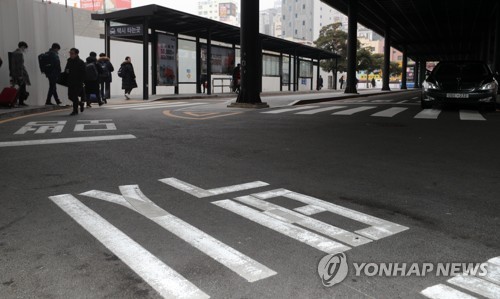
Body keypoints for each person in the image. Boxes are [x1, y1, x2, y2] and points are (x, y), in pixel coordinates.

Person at [64, 48, 86, 116]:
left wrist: (81, 81)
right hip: (70, 81)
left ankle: (75, 110)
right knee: (70, 96)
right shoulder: (69, 61)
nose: (70, 54)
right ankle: (80, 103)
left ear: (76, 54)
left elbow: (84, 73)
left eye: (72, 53)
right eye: (70, 53)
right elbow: (66, 70)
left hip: (78, 82)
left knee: (75, 96)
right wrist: (66, 72)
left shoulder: (81, 62)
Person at [10, 41, 31, 106]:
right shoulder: (19, 54)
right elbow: (19, 66)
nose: (24, 50)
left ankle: (17, 102)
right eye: (24, 48)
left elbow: (13, 65)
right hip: (20, 74)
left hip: (14, 74)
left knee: (18, 88)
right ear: (22, 47)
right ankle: (20, 102)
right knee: (22, 87)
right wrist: (20, 76)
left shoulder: (13, 53)